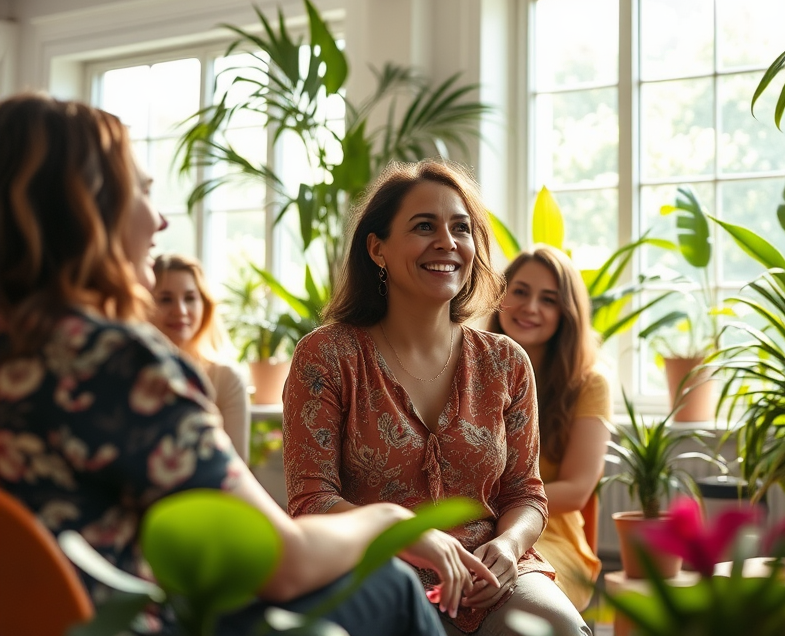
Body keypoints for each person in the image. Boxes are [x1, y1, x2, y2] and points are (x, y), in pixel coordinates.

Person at [0, 93, 446, 636]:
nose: (160, 220)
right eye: (142, 192)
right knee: (391, 587)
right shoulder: (116, 365)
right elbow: (285, 564)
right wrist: (390, 520)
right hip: (115, 623)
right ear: (84, 207)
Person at [282, 161, 591, 636]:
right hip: (372, 566)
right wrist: (411, 538)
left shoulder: (506, 361)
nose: (447, 241)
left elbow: (525, 493)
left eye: (460, 228)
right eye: (424, 226)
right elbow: (310, 499)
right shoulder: (326, 355)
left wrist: (509, 546)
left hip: (488, 575)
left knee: (559, 628)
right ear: (377, 248)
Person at [488, 245, 610, 611]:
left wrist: (488, 506)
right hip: (475, 527)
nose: (530, 307)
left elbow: (577, 490)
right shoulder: (470, 367)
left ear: (566, 313)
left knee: (502, 595)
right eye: (521, 291)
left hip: (550, 536)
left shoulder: (589, 384)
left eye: (549, 299)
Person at [151, 253, 250, 463]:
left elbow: (236, 467)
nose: (180, 310)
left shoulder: (226, 379)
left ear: (204, 306)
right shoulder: (129, 372)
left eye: (190, 298)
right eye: (165, 299)